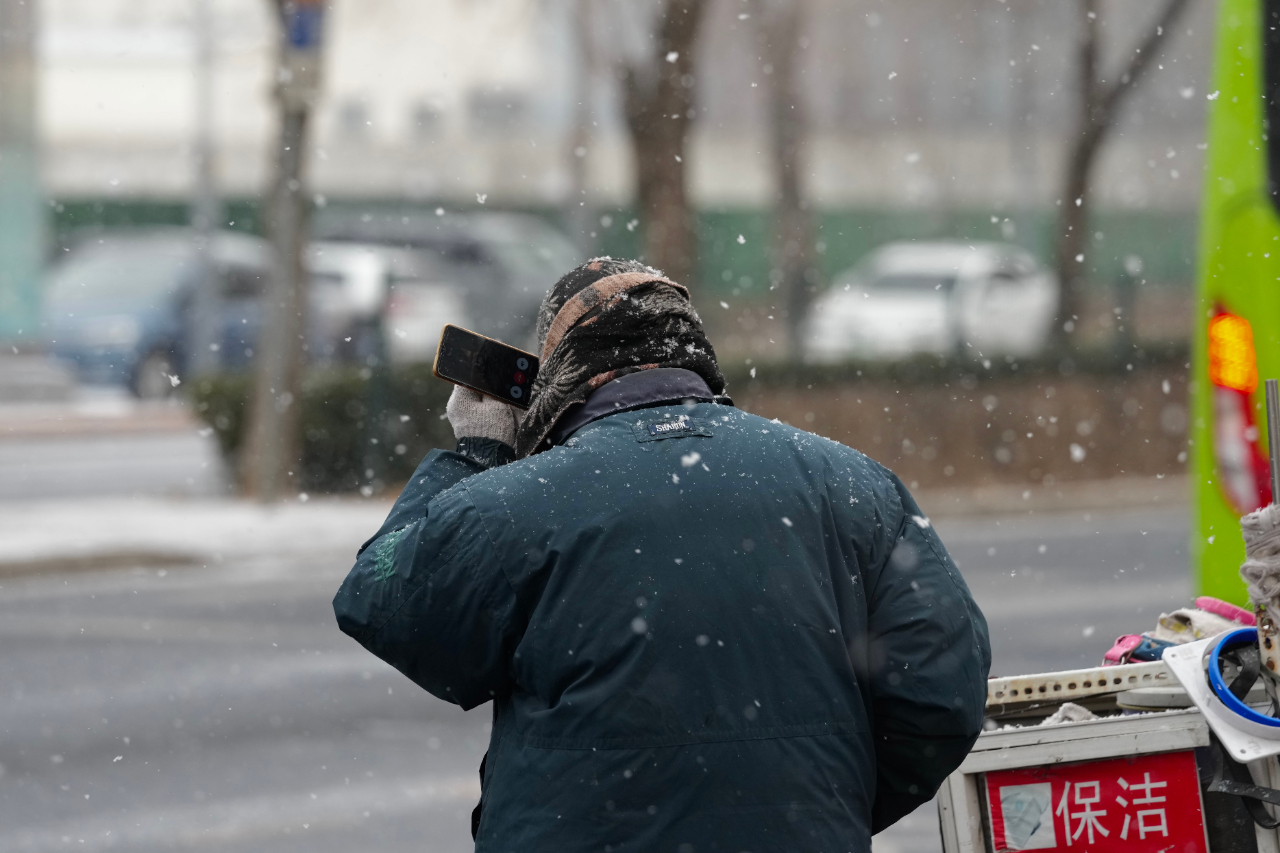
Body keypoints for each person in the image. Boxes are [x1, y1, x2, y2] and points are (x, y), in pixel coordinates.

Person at [333, 257, 990, 851]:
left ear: (560, 379)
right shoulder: (855, 485)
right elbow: (940, 693)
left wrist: (480, 453)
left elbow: (385, 602)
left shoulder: (515, 503)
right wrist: (816, 806)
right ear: (696, 357)